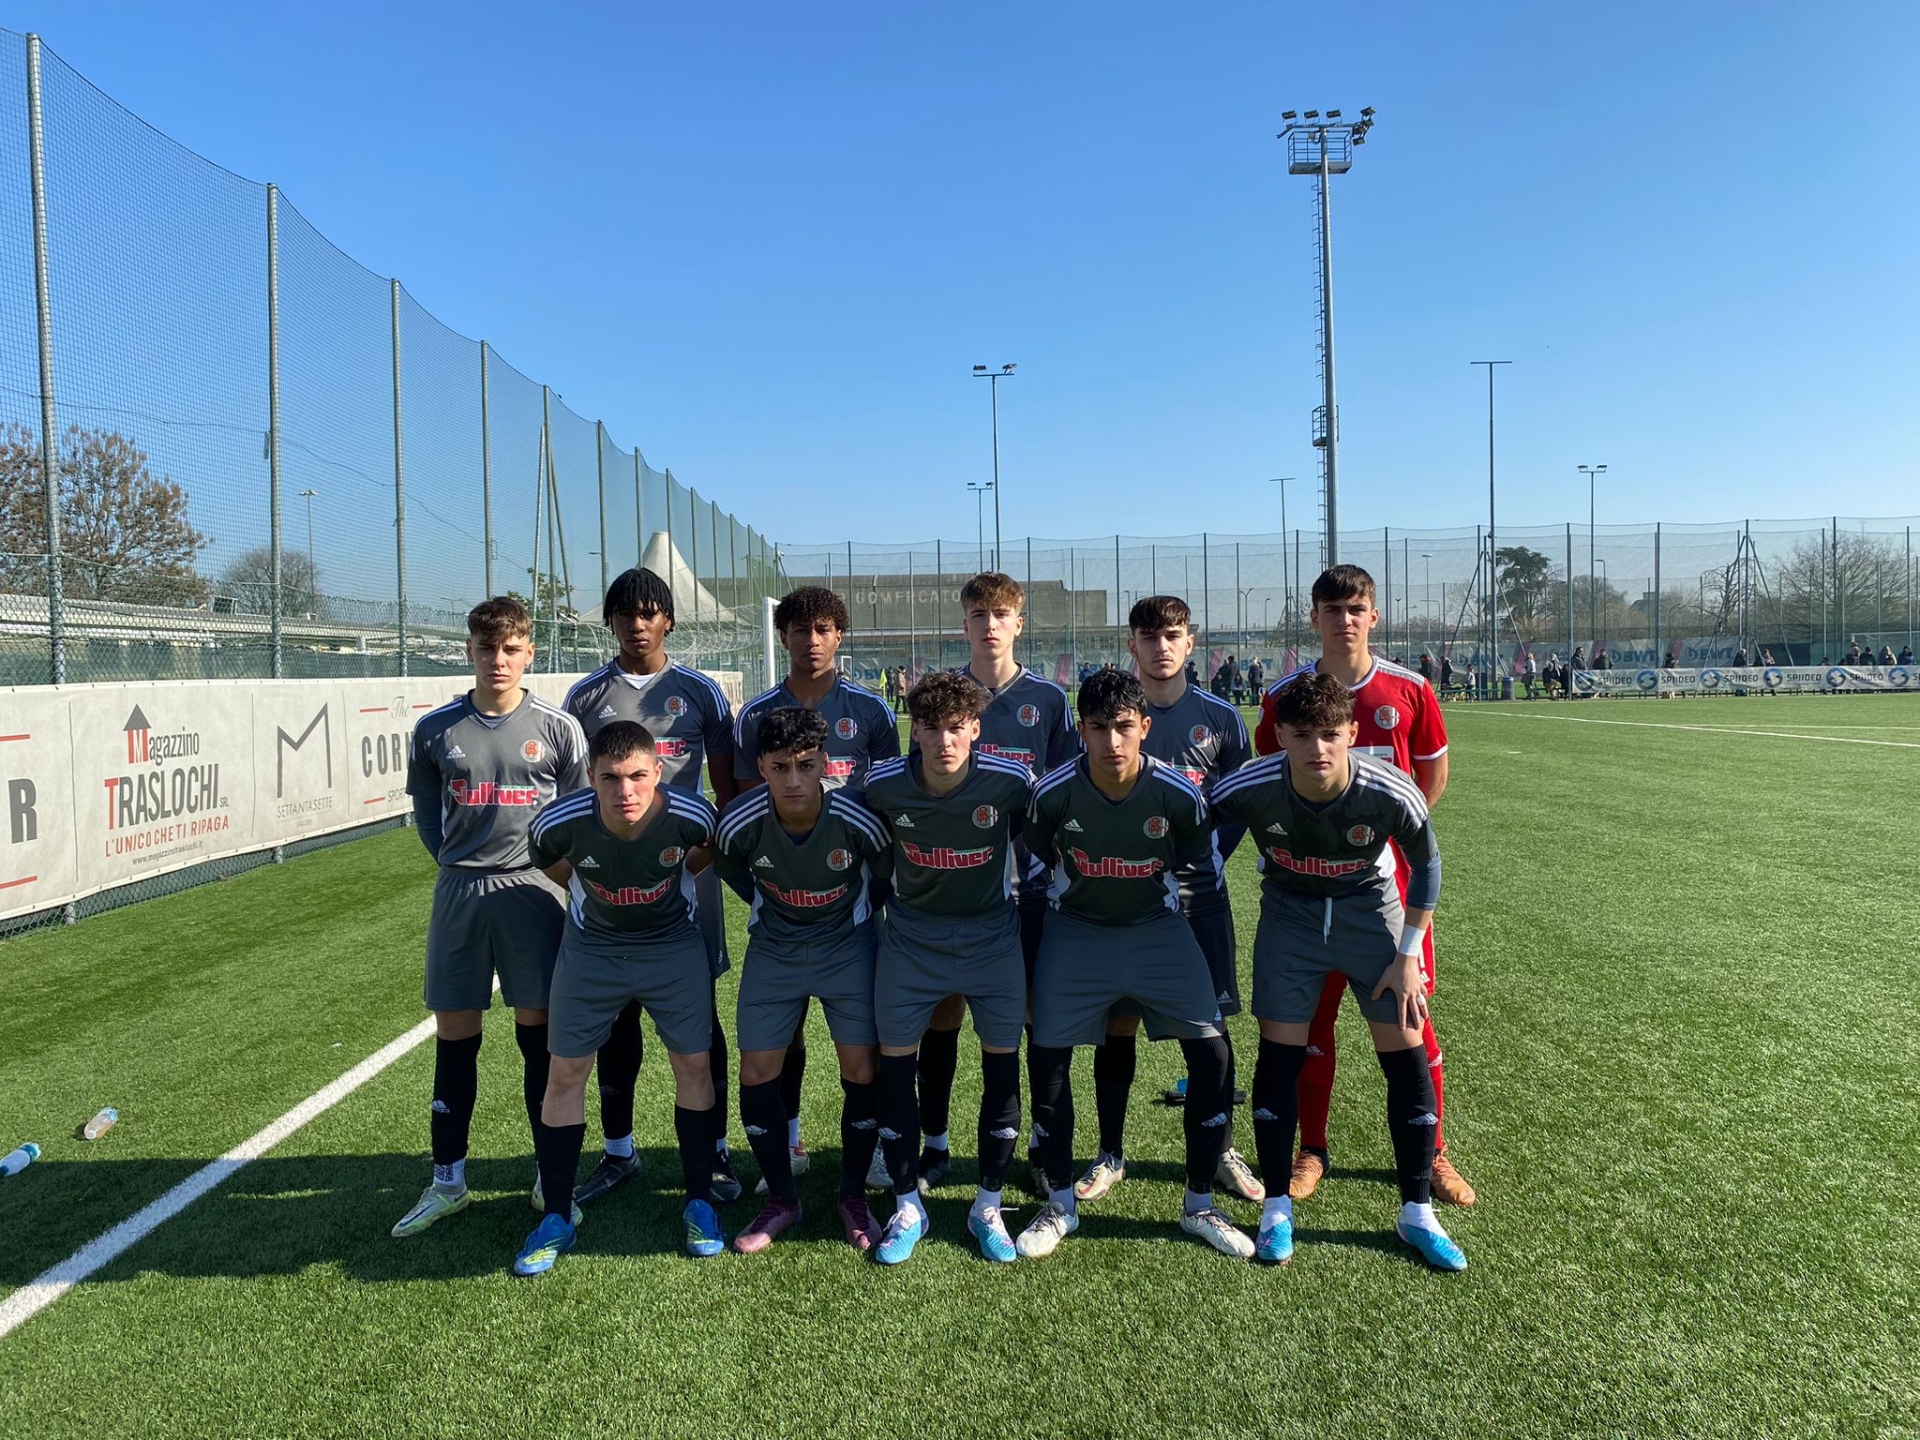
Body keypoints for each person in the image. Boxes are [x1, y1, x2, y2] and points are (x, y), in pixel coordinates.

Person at [1213, 673, 1464, 1271]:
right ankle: (1276, 1210)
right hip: (1290, 917)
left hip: (1370, 914)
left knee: (1405, 1051)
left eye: (1330, 734)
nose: (1317, 748)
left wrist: (1408, 955)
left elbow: (1428, 867)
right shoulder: (1250, 784)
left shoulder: (1390, 789)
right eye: (1302, 735)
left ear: (1352, 732)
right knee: (1279, 1056)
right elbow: (1194, 829)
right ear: (1279, 736)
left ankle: (1417, 1213)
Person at [1253, 565, 1474, 1208]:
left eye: (1355, 609)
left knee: (1411, 1019)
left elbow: (1429, 782)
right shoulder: (1285, 698)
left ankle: (1433, 1153)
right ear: (1314, 618)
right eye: (1332, 609)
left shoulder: (1410, 690)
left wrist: (1386, 843)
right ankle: (1311, 1149)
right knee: (1310, 1024)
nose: (1344, 620)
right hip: (1306, 894)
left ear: (1373, 615)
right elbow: (1272, 782)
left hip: (1389, 893)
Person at [1017, 669, 1248, 1260]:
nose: (1112, 741)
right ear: (1081, 731)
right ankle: (1060, 1203)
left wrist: (1205, 960)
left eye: (1124, 727)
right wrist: (1033, 963)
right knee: (1046, 1054)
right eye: (1098, 728)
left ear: (1145, 727)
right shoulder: (1052, 793)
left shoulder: (1178, 793)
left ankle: (1200, 1204)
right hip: (1077, 931)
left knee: (1213, 1054)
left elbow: (1201, 875)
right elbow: (1035, 874)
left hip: (1156, 929)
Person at [392, 597, 590, 1240]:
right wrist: (458, 863)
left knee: (539, 1033)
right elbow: (428, 816)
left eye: (510, 649)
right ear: (469, 652)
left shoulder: (559, 728)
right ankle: (447, 1182)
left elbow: (580, 816)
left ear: (530, 652)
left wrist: (551, 876)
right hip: (460, 892)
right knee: (456, 1036)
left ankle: (546, 1176)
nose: (498, 660)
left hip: (535, 891)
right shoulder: (435, 729)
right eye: (486, 648)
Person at [515, 721, 724, 1275]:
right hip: (592, 951)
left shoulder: (692, 814)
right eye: (610, 778)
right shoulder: (559, 821)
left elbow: (705, 852)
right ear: (591, 777)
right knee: (564, 1073)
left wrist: (664, 884)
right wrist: (596, 891)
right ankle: (556, 1215)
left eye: (636, 776)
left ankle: (699, 1202)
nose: (624, 790)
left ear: (658, 771)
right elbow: (548, 859)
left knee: (694, 1066)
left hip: (671, 947)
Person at [1073, 595, 1261, 1210]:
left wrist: (1205, 857)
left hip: (1199, 900)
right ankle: (1110, 1152)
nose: (1161, 647)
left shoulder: (1221, 718)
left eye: (1172, 635)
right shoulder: (1108, 715)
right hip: (1122, 899)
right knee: (1117, 1023)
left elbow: (1238, 803)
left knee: (1210, 1027)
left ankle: (1221, 1148)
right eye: (1149, 637)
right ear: (1132, 644)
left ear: (1190, 641)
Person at [563, 568, 742, 1207]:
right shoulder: (585, 698)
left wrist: (696, 860)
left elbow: (727, 793)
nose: (637, 625)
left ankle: (713, 1150)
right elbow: (575, 797)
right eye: (624, 614)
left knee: (699, 1016)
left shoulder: (701, 693)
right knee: (616, 1017)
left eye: (649, 613)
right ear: (610, 621)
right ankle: (619, 1151)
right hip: (610, 886)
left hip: (687, 876)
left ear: (668, 619)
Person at [902, 571, 1078, 1194]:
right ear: (965, 625)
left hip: (1030, 889)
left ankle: (1037, 1144)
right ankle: (935, 1143)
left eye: (1001, 614)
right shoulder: (942, 697)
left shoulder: (1049, 701)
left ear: (1018, 624)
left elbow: (1063, 794)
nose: (990, 625)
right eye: (979, 615)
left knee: (1030, 1015)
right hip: (954, 889)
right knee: (943, 1014)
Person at [863, 671, 1036, 1263]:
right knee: (895, 1069)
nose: (944, 741)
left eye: (957, 728)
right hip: (911, 942)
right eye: (932, 728)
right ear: (914, 731)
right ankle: (907, 1205)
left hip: (992, 940)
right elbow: (865, 845)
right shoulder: (883, 784)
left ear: (976, 730)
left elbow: (1043, 831)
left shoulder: (1010, 781)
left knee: (1002, 1068)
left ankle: (987, 1203)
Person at [734, 586, 900, 1182]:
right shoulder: (756, 715)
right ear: (783, 637)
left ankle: (876, 1144)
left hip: (851, 901)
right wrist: (768, 888)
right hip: (783, 905)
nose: (812, 640)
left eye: (823, 628)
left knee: (864, 1039)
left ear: (839, 635)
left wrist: (867, 894)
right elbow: (745, 816)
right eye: (800, 630)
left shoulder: (872, 711)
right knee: (785, 1032)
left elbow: (888, 802)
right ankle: (791, 1139)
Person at [715, 708, 892, 1255]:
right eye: (780, 767)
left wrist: (853, 913)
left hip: (848, 947)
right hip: (776, 949)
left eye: (806, 765)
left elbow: (885, 871)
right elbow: (730, 867)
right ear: (762, 768)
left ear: (825, 764)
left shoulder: (857, 816)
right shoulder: (739, 821)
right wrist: (773, 906)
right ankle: (782, 1199)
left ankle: (852, 1196)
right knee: (756, 1069)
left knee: (862, 1068)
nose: (794, 780)